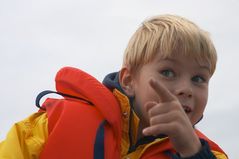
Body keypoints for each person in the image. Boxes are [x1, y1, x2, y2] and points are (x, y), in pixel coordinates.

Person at [0, 14, 228, 159]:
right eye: (167, 72)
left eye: (199, 78)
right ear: (129, 81)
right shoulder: (51, 125)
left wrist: (194, 153)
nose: (185, 89)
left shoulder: (211, 155)